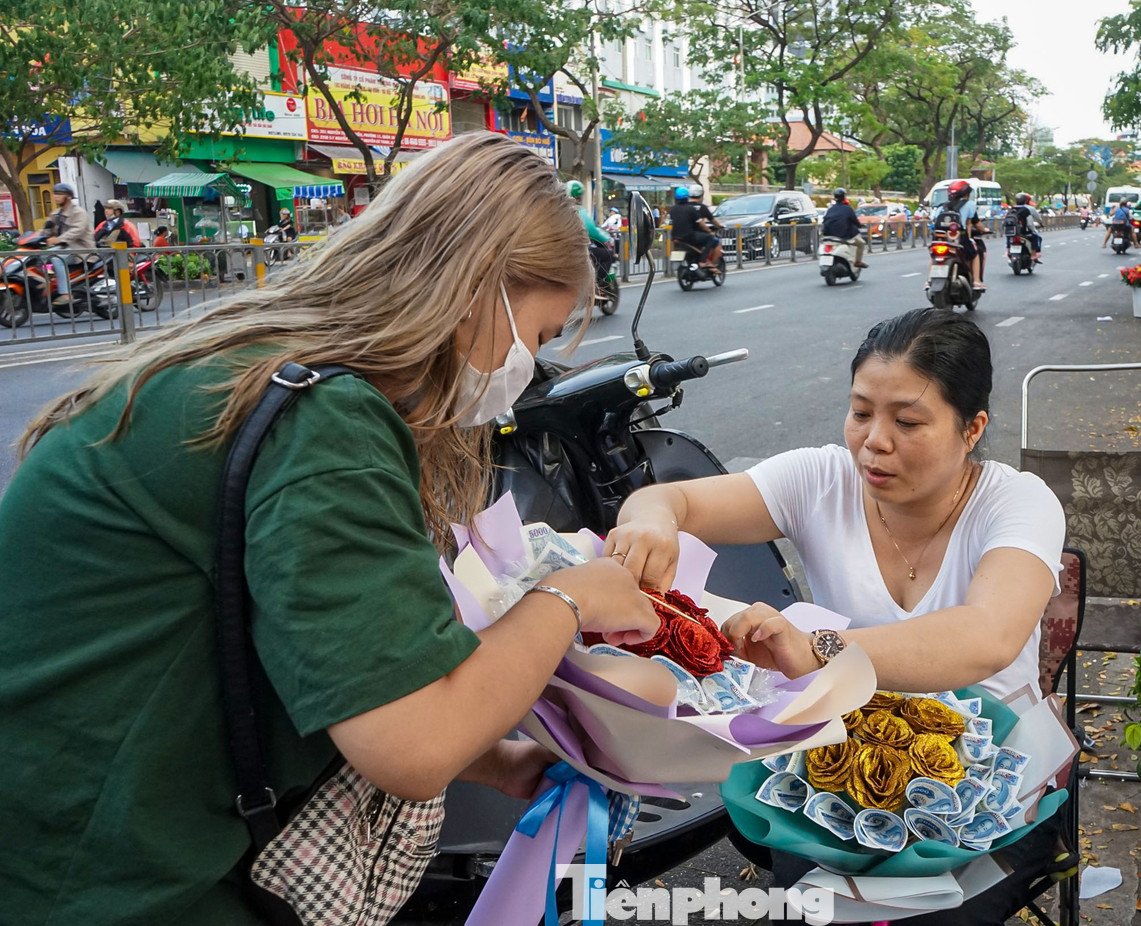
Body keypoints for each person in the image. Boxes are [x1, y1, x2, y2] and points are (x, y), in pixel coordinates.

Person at [0, 131, 660, 923]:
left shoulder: (266, 369)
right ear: (477, 284)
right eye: (540, 336)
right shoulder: (323, 421)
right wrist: (571, 598)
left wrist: (496, 761)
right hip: (92, 881)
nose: (524, 373)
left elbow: (338, 655)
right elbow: (415, 739)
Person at [606, 311, 1065, 921]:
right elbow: (673, 498)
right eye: (860, 412)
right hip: (840, 773)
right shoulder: (822, 480)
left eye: (907, 422)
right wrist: (650, 522)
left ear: (972, 428)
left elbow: (987, 636)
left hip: (985, 790)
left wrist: (820, 649)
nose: (875, 441)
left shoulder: (1017, 502)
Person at [40, 182, 97, 307]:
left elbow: (77, 231)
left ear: (69, 197)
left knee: (57, 258)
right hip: (64, 249)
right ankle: (46, 283)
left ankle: (66, 294)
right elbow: (46, 230)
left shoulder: (79, 213)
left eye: (60, 194)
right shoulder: (55, 214)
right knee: (38, 257)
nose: (56, 197)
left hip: (81, 251)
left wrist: (58, 239)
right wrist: (34, 237)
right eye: (55, 194)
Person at [936, 181, 985, 290]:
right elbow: (970, 223)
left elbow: (934, 222)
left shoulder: (941, 206)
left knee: (934, 256)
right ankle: (977, 281)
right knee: (975, 254)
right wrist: (983, 230)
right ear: (966, 193)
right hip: (959, 238)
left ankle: (928, 281)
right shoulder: (970, 204)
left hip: (940, 238)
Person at [667, 184, 723, 267]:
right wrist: (710, 231)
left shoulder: (673, 209)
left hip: (675, 236)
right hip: (690, 236)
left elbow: (670, 222)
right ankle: (702, 261)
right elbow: (702, 223)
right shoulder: (692, 208)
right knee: (710, 238)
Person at [820, 187, 869, 269]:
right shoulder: (848, 209)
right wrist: (860, 225)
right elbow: (855, 221)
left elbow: (824, 221)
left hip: (829, 236)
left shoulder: (830, 209)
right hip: (843, 236)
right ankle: (858, 262)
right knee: (861, 243)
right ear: (844, 197)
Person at [1011, 193, 1043, 263]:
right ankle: (1034, 255)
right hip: (1025, 232)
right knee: (1036, 237)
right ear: (1026, 200)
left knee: (1009, 239)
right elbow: (1031, 223)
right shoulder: (1028, 209)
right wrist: (1034, 230)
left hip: (1013, 232)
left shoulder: (1012, 209)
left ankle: (1007, 251)